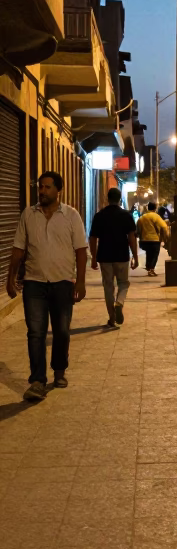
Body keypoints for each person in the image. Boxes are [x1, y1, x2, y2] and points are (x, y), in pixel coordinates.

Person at [6, 170, 87, 402]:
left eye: (47, 187)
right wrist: (10, 278)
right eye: (40, 187)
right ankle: (37, 381)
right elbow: (18, 249)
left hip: (62, 283)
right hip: (34, 284)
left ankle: (59, 370)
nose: (42, 191)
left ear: (58, 190)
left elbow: (81, 251)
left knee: (61, 332)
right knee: (35, 333)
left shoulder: (71, 216)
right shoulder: (28, 215)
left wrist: (80, 281)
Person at [90, 188, 139, 326]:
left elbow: (93, 238)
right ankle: (119, 303)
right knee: (123, 283)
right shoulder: (126, 216)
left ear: (107, 198)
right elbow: (131, 237)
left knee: (108, 286)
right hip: (122, 255)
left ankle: (112, 318)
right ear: (119, 199)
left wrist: (93, 257)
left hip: (104, 256)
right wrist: (135, 256)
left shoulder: (99, 216)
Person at [136, 201, 169, 276]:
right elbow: (164, 227)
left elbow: (138, 228)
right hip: (154, 239)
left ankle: (148, 267)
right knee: (155, 254)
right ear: (155, 208)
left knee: (148, 253)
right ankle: (151, 269)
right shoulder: (156, 216)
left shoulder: (142, 217)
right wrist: (166, 237)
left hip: (144, 240)